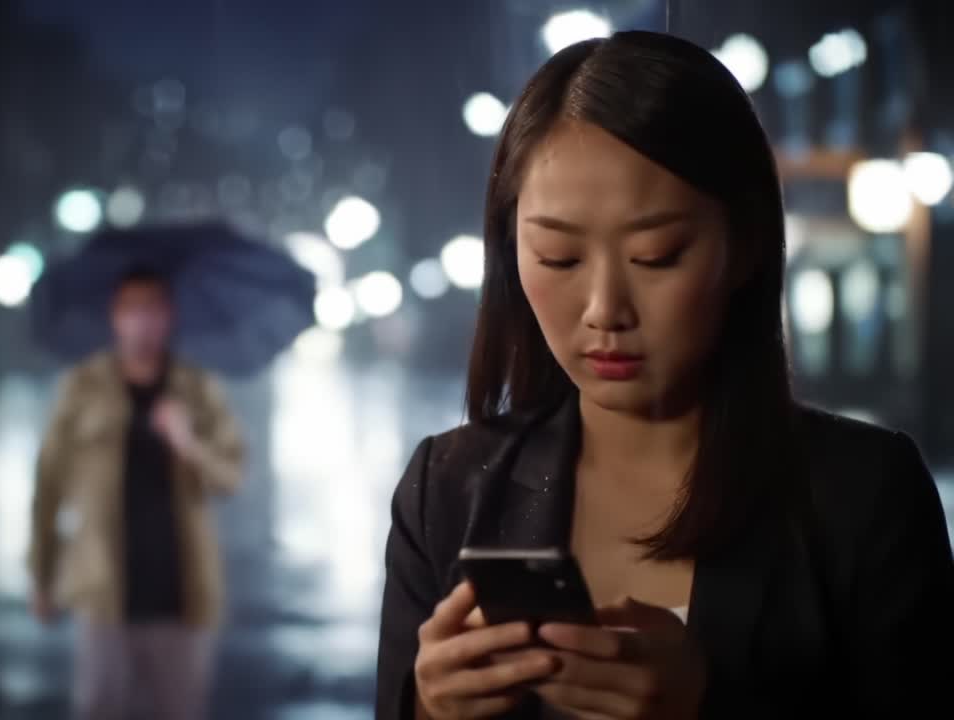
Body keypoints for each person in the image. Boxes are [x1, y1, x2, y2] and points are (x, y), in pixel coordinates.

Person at [376, 31, 954, 720]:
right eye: (559, 257)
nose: (604, 310)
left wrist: (708, 706)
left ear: (745, 244)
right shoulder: (448, 488)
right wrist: (428, 708)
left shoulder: (861, 496)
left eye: (656, 255)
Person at [29, 269, 245, 720]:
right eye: (132, 308)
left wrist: (188, 443)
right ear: (115, 316)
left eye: (153, 308)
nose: (143, 320)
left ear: (169, 316)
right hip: (104, 591)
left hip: (182, 595)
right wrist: (42, 577)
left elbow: (231, 477)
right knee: (100, 707)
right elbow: (48, 486)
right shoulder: (83, 387)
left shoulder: (197, 388)